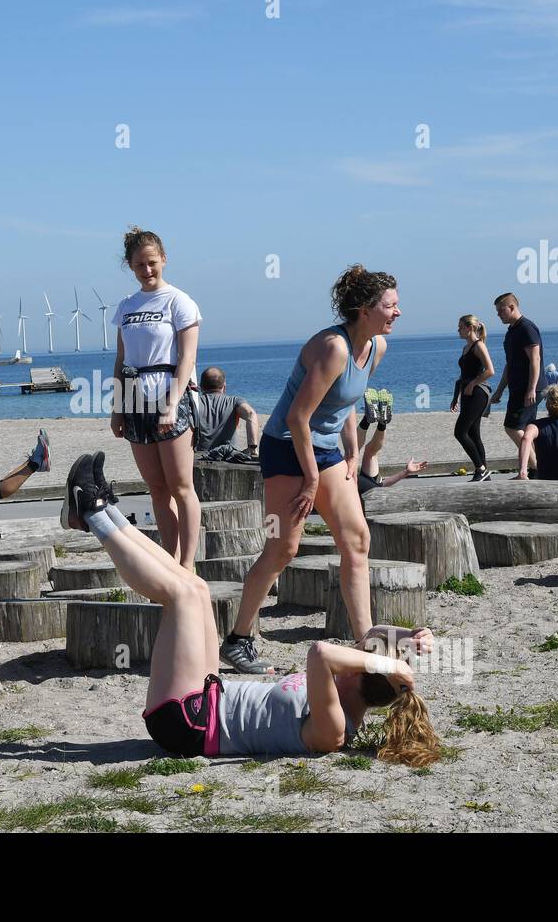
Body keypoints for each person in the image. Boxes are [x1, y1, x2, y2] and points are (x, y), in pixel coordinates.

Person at [60, 450, 440, 763]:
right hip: (207, 697)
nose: (356, 649)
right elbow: (369, 636)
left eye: (360, 657)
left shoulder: (335, 729)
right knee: (196, 586)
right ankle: (100, 507)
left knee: (180, 596)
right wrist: (408, 637)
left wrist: (388, 662)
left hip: (187, 724)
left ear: (360, 674)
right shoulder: (349, 688)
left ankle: (92, 511)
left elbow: (321, 652)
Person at [222, 264, 397, 675]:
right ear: (365, 309)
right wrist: (312, 478)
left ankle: (365, 639)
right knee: (282, 547)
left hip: (325, 451)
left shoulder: (376, 348)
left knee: (356, 538)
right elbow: (299, 418)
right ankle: (238, 639)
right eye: (390, 305)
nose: (397, 312)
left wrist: (352, 450)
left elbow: (345, 401)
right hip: (284, 448)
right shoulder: (331, 346)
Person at [110, 226, 202, 569]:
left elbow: (188, 358)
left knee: (181, 485)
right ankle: (170, 557)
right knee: (157, 488)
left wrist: (172, 403)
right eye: (139, 265)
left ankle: (188, 562)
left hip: (170, 393)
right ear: (130, 267)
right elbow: (121, 360)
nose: (147, 271)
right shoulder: (126, 307)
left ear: (163, 259)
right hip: (135, 397)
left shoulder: (179, 301)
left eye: (152, 263)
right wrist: (117, 409)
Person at [489, 293, 543, 473]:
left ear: (512, 307)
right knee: (527, 430)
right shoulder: (512, 331)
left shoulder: (527, 328)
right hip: (517, 387)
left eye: (500, 310)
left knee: (512, 427)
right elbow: (509, 364)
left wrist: (532, 389)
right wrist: (499, 391)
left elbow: (535, 359)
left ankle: (538, 468)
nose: (498, 315)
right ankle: (537, 468)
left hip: (528, 388)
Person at [449, 315, 496, 482]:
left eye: (460, 327)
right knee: (474, 433)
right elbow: (462, 377)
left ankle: (480, 468)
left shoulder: (479, 346)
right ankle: (484, 473)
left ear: (469, 328)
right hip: (468, 394)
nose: (458, 330)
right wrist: (456, 397)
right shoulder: (466, 348)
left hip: (478, 394)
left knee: (460, 432)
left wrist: (473, 384)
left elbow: (490, 370)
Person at [188, 366, 259, 457]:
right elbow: (251, 414)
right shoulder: (234, 402)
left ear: (201, 386)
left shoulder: (194, 403)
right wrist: (252, 447)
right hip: (228, 455)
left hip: (199, 455)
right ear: (224, 386)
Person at [354, 421, 429, 501]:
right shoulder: (374, 491)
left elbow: (382, 486)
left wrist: (406, 472)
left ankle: (375, 421)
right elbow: (382, 485)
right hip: (369, 490)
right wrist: (406, 471)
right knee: (363, 452)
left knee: (357, 452)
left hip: (360, 488)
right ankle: (379, 422)